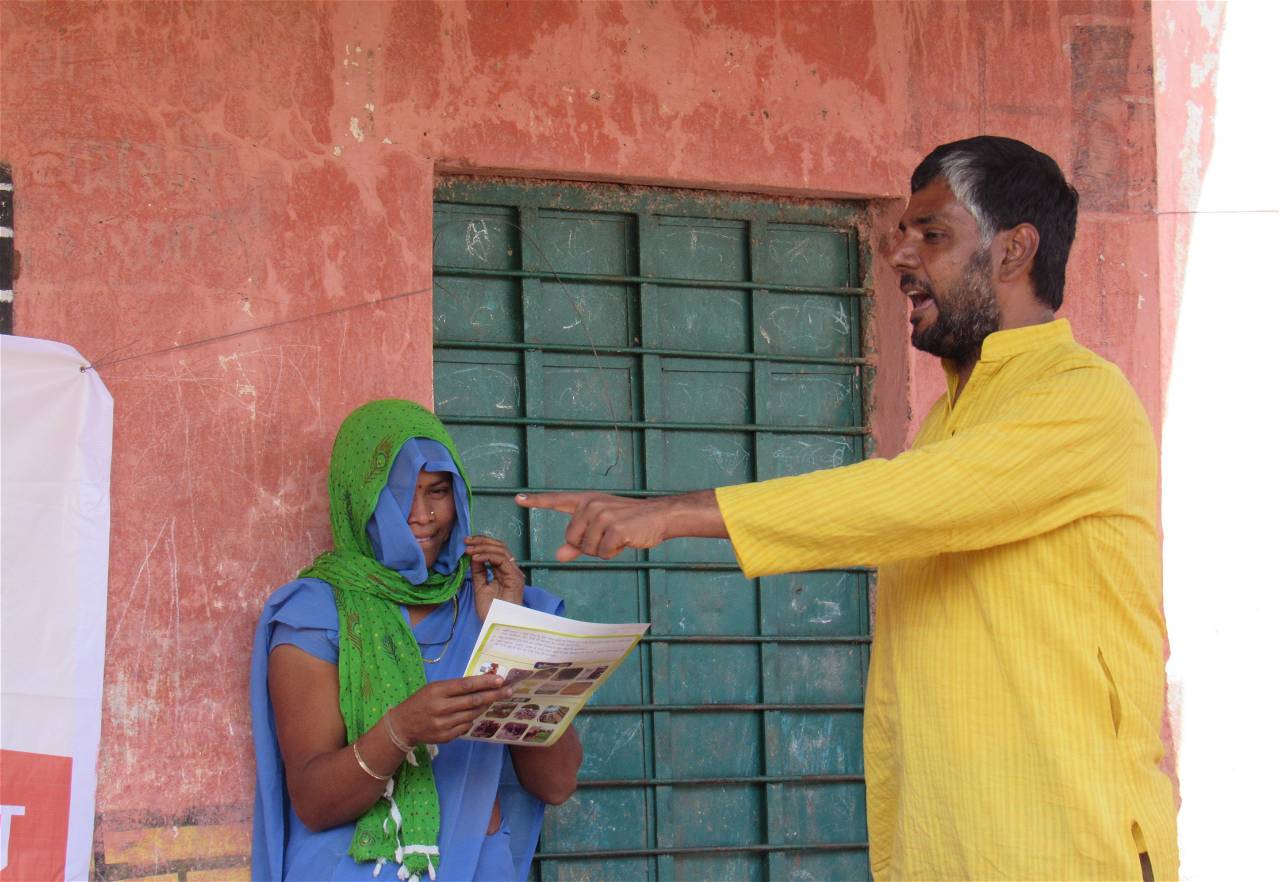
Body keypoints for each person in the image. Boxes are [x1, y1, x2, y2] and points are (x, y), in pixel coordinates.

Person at [516, 137, 1177, 880]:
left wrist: (670, 513)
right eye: (902, 234)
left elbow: (904, 500)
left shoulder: (1083, 399)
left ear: (1014, 250)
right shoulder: (952, 420)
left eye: (932, 235)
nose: (899, 257)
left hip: (1064, 847)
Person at [251, 399, 582, 882]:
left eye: (437, 491)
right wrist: (400, 730)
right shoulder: (316, 613)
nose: (421, 515)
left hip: (474, 867)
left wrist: (509, 634)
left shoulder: (501, 603)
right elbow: (315, 802)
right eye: (396, 493)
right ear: (358, 499)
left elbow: (556, 783)